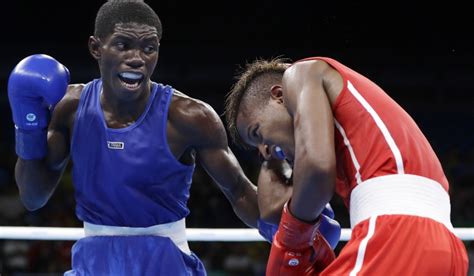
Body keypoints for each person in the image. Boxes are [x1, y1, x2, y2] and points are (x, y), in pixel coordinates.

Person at [7, 1, 266, 274]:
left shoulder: (189, 117)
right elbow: (33, 197)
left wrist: (295, 226)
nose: (137, 58)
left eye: (148, 48)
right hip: (93, 263)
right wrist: (28, 126)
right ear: (96, 48)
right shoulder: (69, 109)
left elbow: (239, 191)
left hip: (165, 262)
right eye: (123, 45)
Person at [224, 56, 469, 275]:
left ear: (278, 95)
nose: (265, 150)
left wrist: (292, 235)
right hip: (446, 250)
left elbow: (317, 169)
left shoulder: (302, 73)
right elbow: (272, 210)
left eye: (257, 133)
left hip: (397, 236)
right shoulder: (351, 146)